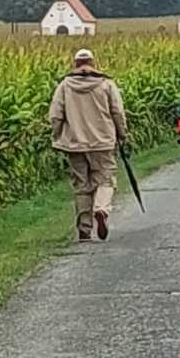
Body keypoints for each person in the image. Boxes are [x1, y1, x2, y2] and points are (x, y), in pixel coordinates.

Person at [48, 48, 127, 242]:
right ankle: (101, 209)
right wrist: (122, 134)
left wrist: (57, 136)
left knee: (82, 185)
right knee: (106, 180)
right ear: (92, 63)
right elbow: (117, 112)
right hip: (102, 142)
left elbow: (55, 115)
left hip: (74, 143)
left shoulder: (65, 86)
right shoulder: (106, 84)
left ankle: (84, 228)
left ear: (75, 64)